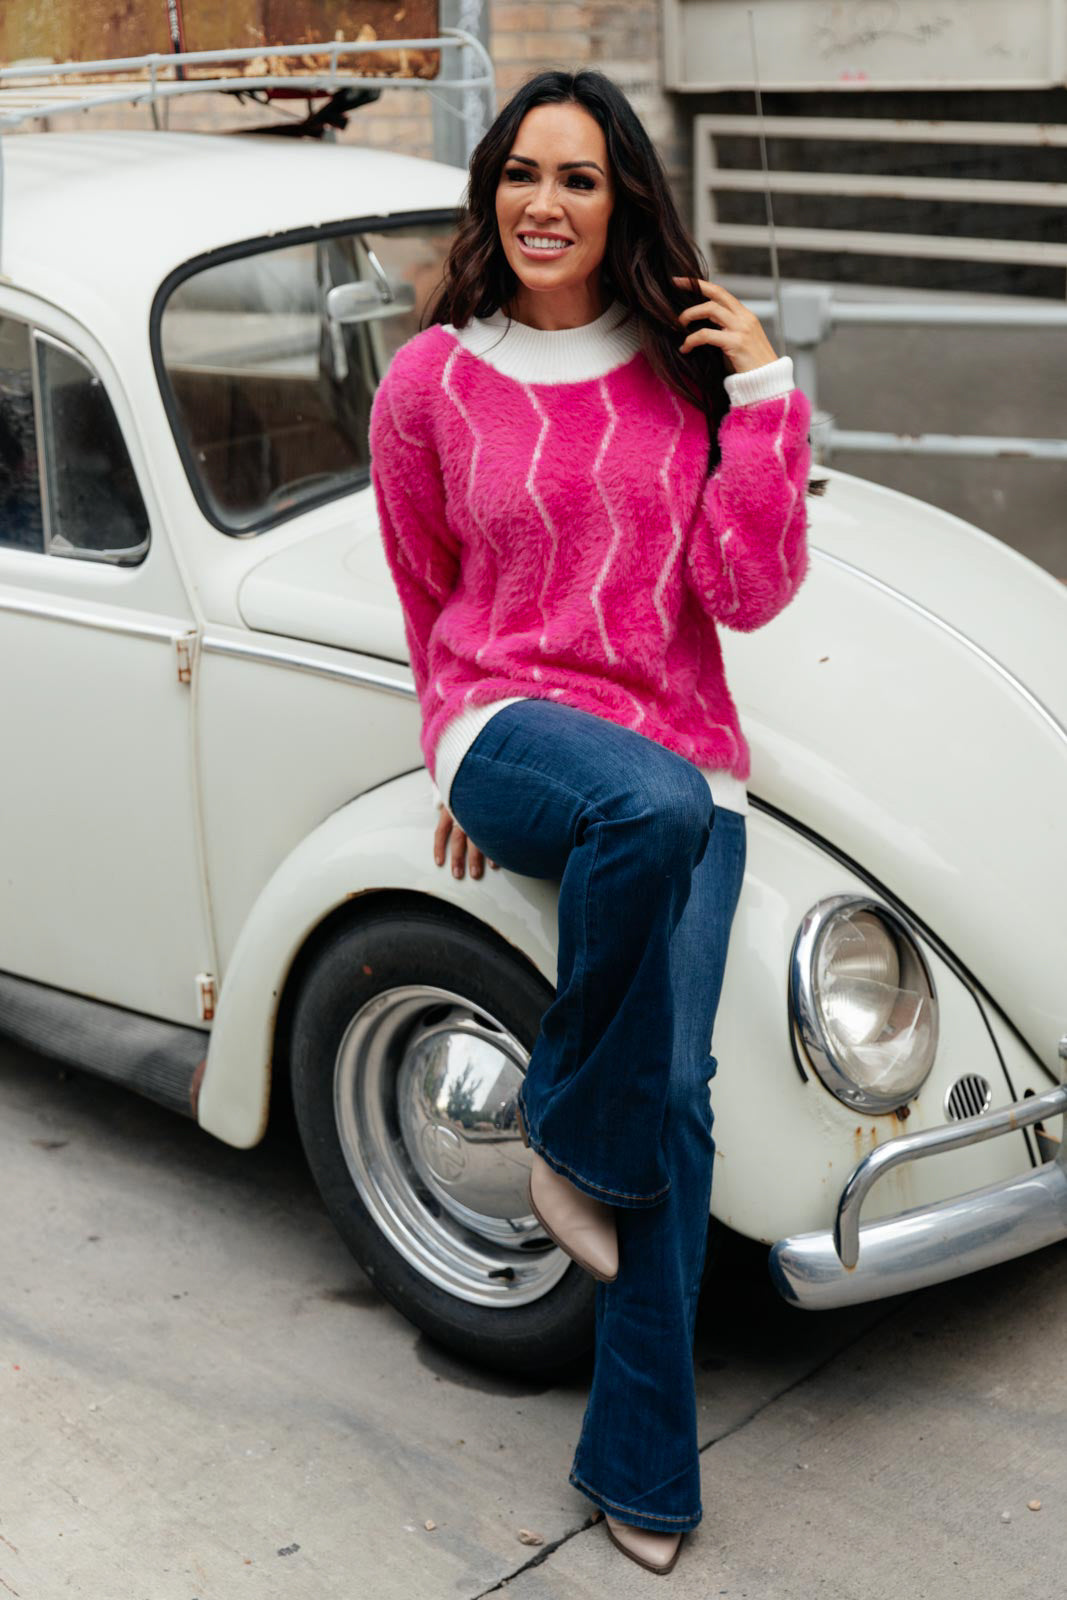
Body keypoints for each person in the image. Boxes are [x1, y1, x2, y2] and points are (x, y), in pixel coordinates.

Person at [368, 68, 822, 1578]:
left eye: (578, 179)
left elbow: (744, 598)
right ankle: (567, 1115)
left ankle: (640, 1468)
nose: (544, 204)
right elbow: (428, 594)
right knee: (644, 804)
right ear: (491, 191)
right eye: (522, 173)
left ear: (621, 201)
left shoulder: (681, 377)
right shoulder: (429, 382)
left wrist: (762, 398)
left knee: (676, 1107)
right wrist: (447, 765)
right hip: (507, 727)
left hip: (682, 758)